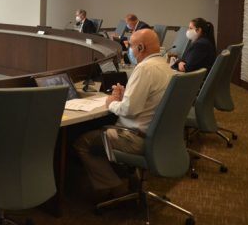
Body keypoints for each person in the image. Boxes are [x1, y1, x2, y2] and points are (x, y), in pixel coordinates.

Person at [74, 29, 174, 196]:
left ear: (140, 47)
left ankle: (113, 187)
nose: (130, 51)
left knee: (83, 142)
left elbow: (129, 110)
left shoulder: (144, 69)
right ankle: (124, 178)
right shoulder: (165, 67)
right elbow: (145, 101)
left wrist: (112, 102)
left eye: (131, 47)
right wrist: (125, 96)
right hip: (157, 135)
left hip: (135, 137)